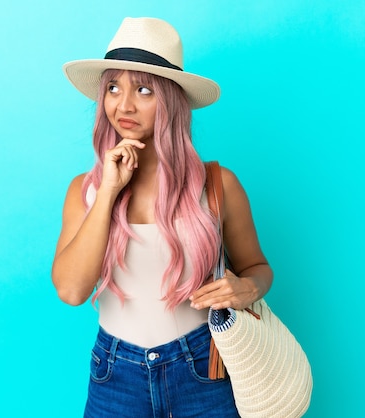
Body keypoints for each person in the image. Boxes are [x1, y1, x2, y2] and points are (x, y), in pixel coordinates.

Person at [52, 17, 273, 417]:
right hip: (114, 374)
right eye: (113, 88)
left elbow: (258, 268)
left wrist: (247, 289)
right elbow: (71, 291)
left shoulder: (218, 185)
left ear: (170, 99)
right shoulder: (84, 190)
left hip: (203, 369)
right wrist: (108, 192)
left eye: (143, 89)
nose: (124, 105)